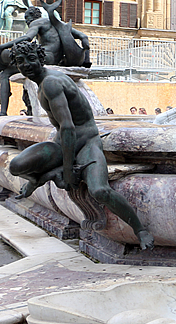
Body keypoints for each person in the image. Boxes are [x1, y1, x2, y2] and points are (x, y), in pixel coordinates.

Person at [10, 41, 153, 250]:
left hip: (86, 141)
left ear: (41, 59)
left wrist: (68, 170)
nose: (27, 65)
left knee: (100, 190)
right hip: (63, 144)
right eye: (21, 62)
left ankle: (140, 229)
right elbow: (63, 131)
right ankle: (42, 177)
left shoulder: (51, 83)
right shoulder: (43, 83)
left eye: (31, 59)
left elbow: (68, 127)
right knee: (16, 166)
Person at [0, 3, 91, 115]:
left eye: (27, 18)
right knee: (5, 72)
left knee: (4, 63)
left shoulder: (37, 22)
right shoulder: (57, 23)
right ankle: (4, 102)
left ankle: (3, 111)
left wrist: (2, 46)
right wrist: (86, 57)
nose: (27, 22)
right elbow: (84, 37)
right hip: (53, 59)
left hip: (43, 57)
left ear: (33, 16)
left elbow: (27, 37)